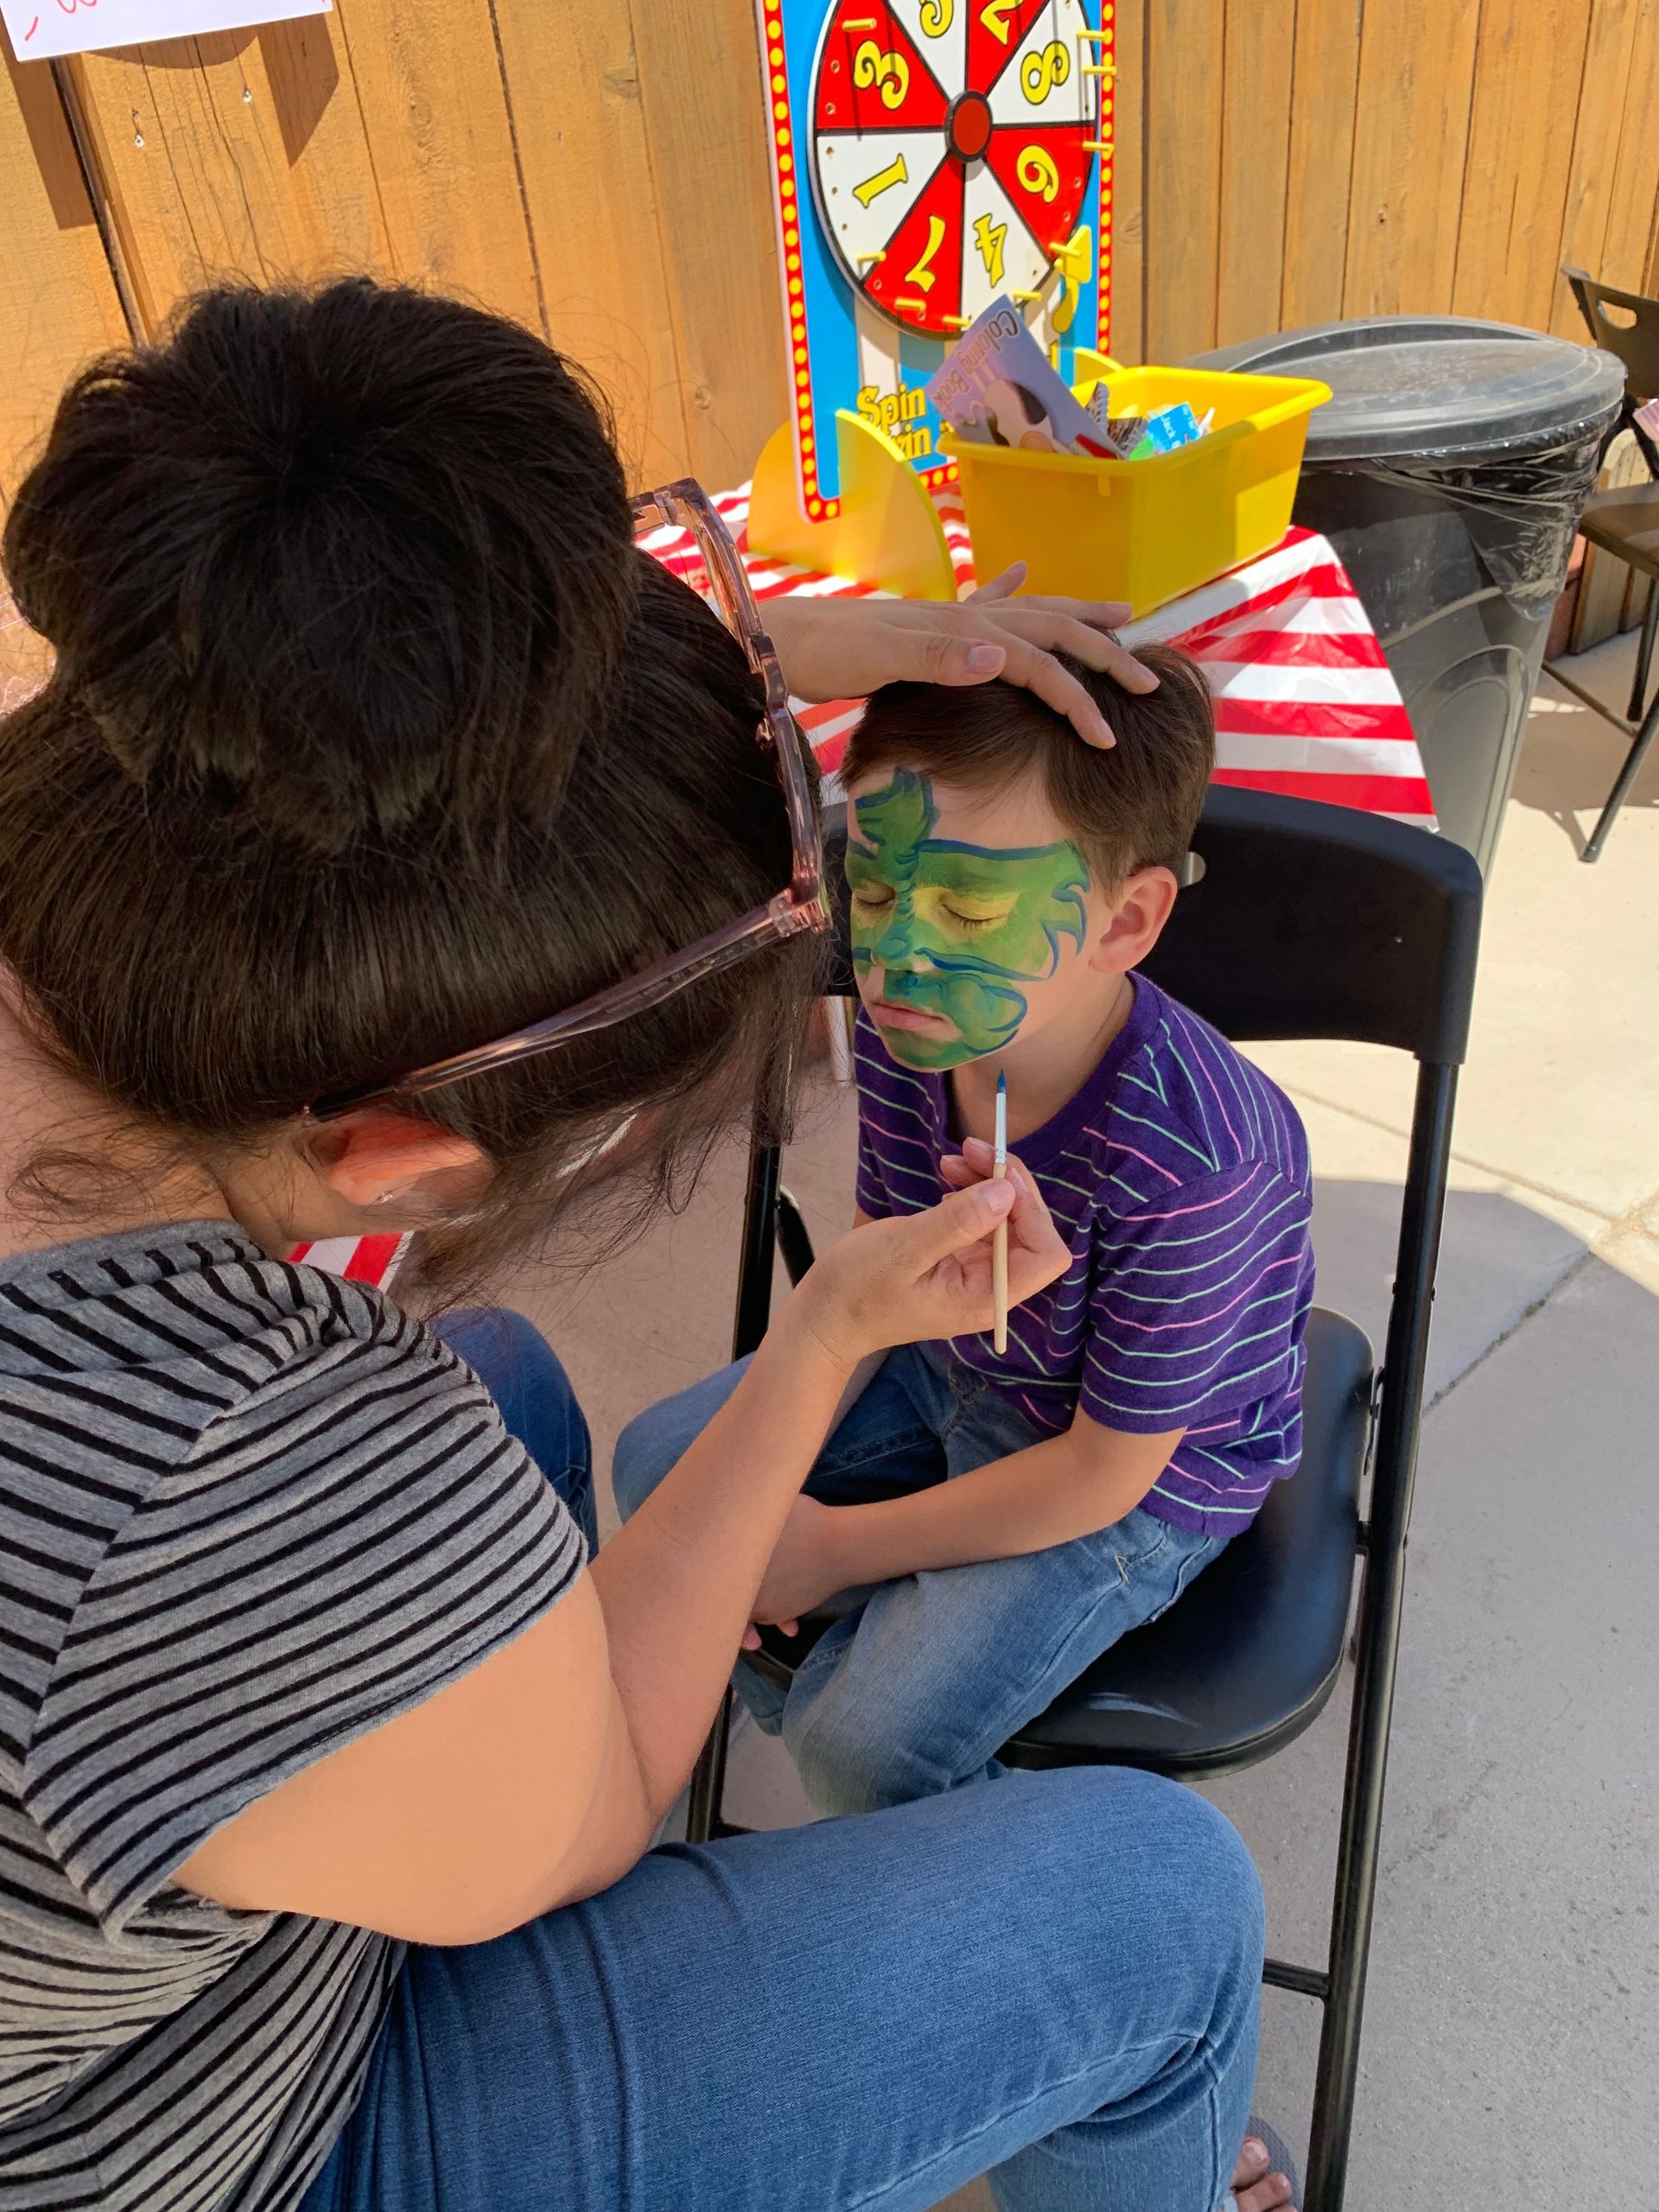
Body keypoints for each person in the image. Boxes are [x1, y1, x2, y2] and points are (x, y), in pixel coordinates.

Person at [0, 278, 1295, 2212]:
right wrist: (821, 1354)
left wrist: (850, 648)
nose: (901, 967)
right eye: (881, 904)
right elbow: (598, 1800)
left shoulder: (123, 790)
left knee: (525, 1387)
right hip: (194, 2152)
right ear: (411, 1157)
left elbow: (1124, 1458)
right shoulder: (242, 1465)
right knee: (1159, 1895)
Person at [614, 656, 1314, 1818]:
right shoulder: (918, 1033)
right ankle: (860, 1677)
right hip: (942, 1369)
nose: (892, 958)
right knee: (664, 1481)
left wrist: (828, 1550)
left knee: (857, 1748)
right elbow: (871, 1287)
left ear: (1126, 920)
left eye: (972, 911)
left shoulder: (1201, 1160)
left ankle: (899, 1754)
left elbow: (1102, 1474)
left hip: (1128, 1478)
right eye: (874, 893)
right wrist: (750, 1511)